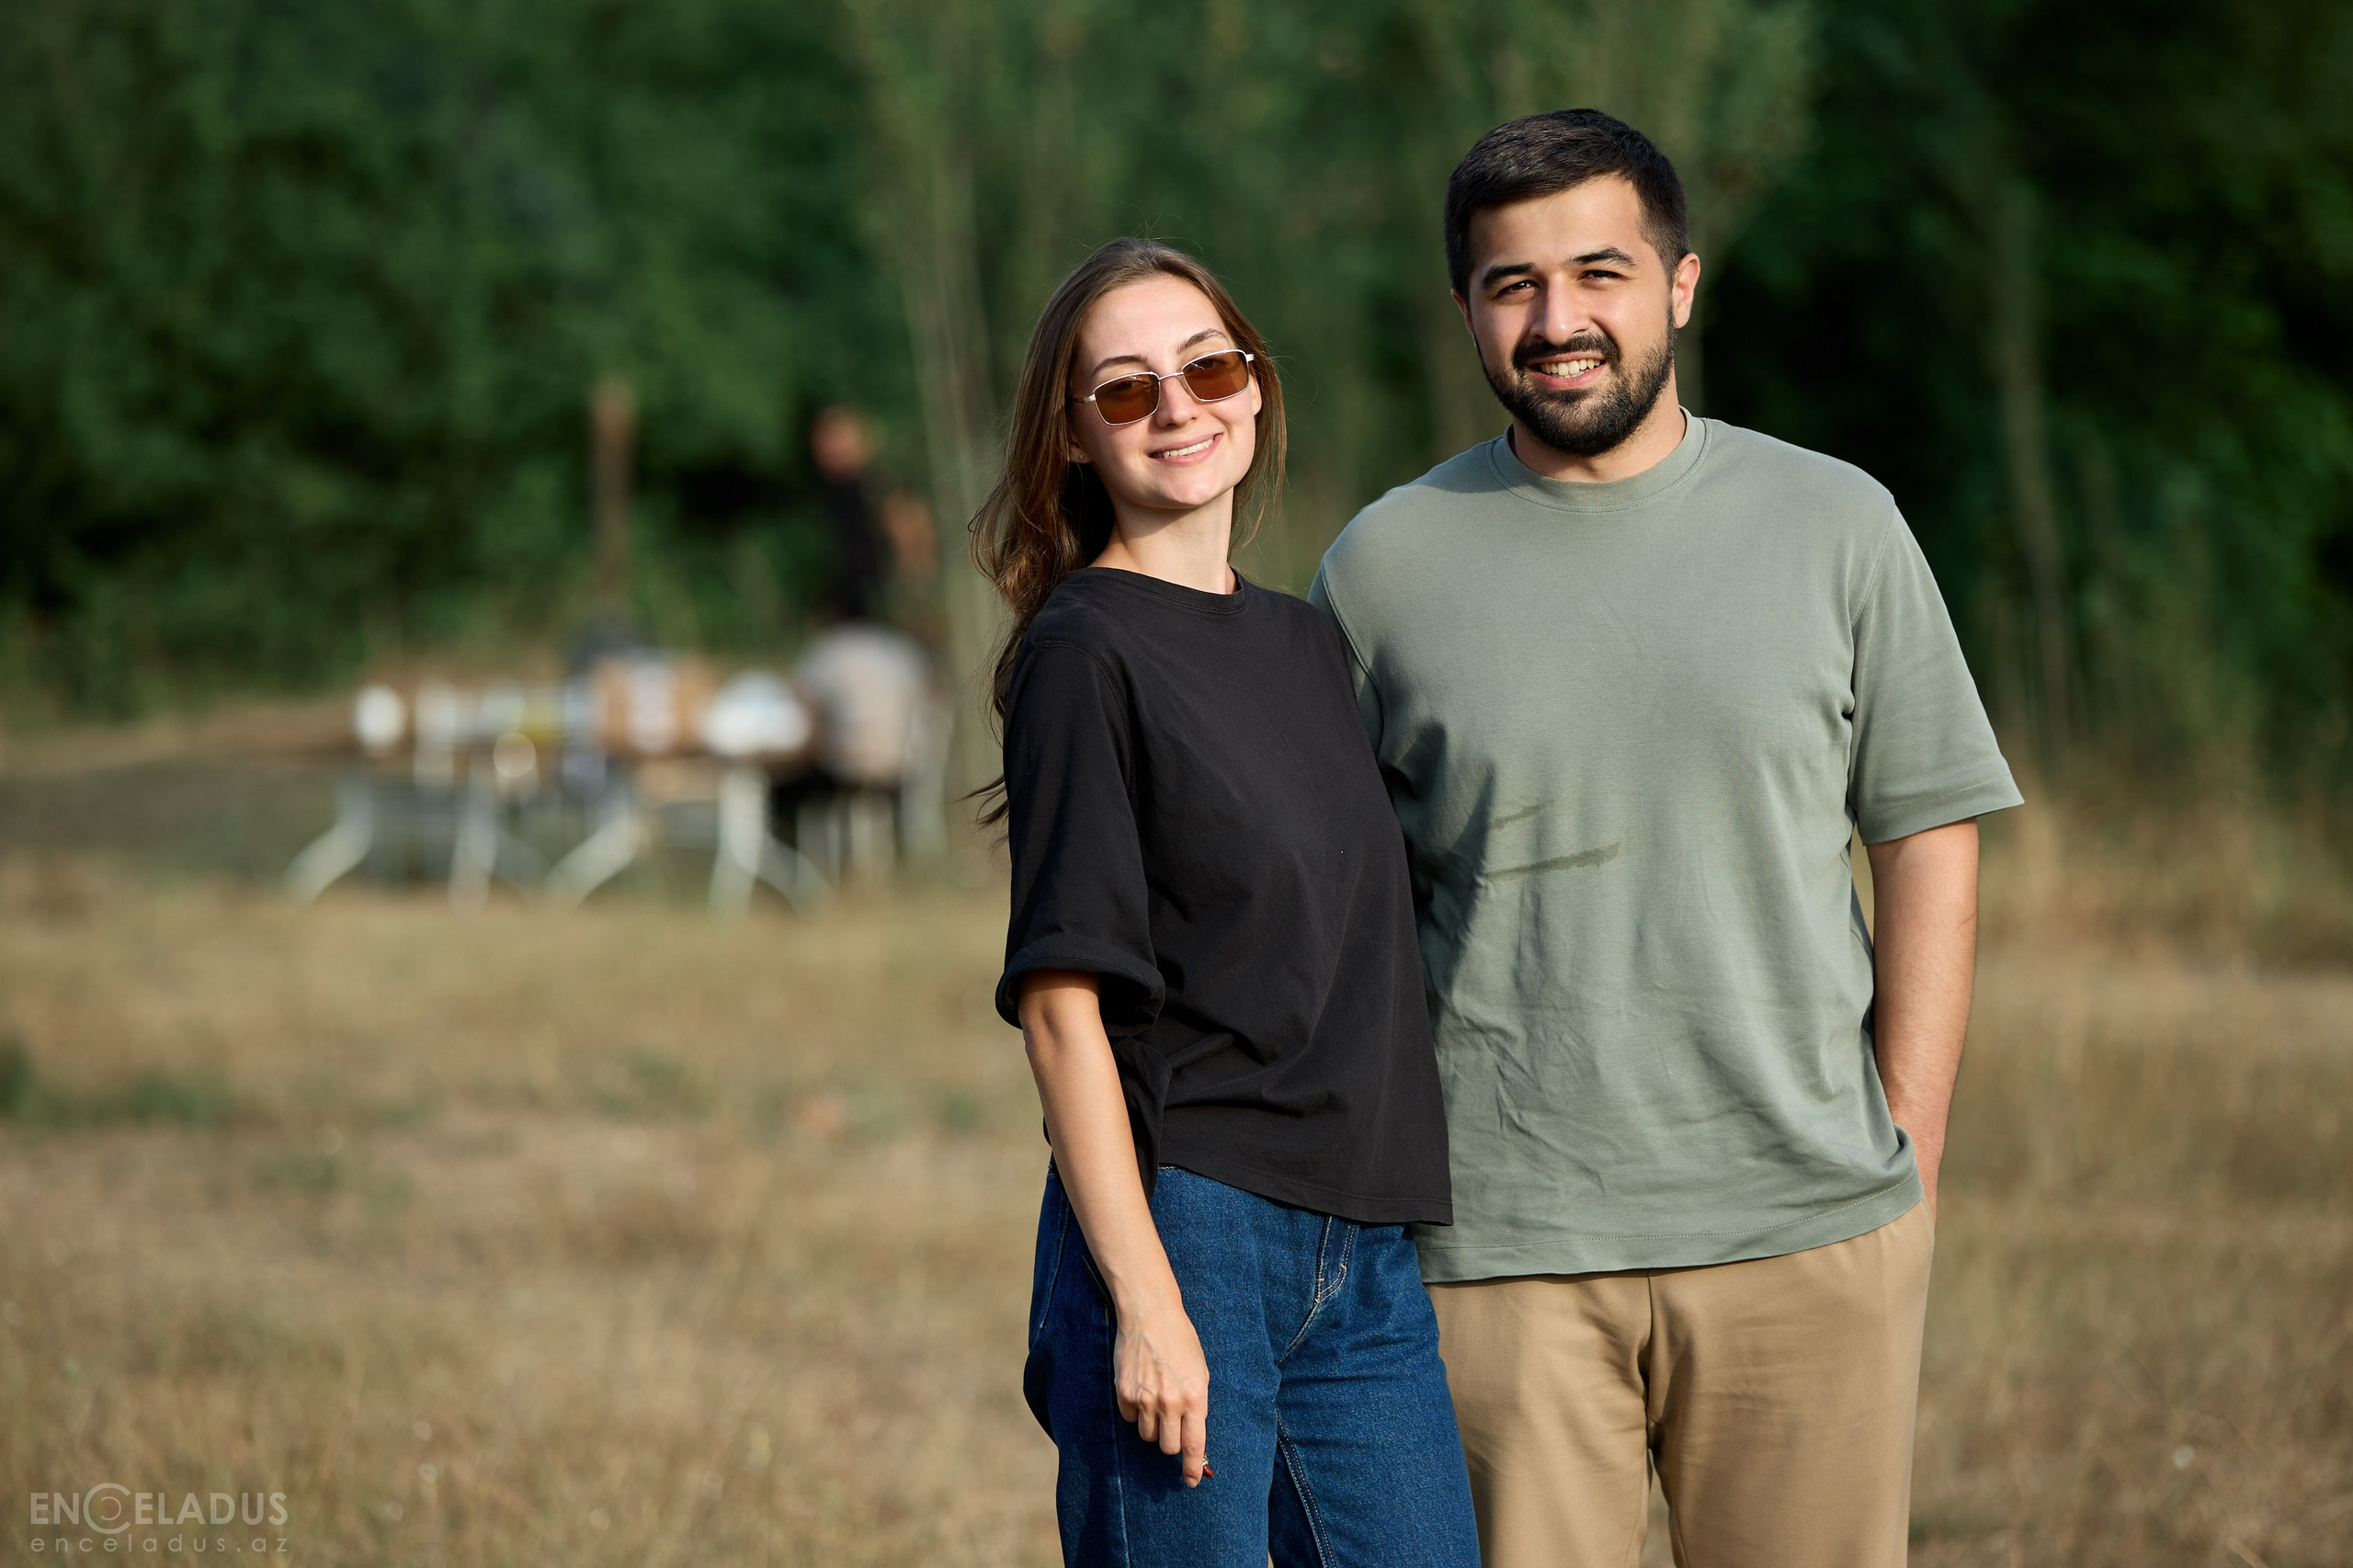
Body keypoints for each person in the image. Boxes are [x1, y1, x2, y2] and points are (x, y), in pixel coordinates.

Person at [1308, 110, 2024, 1568]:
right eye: (1514, 285)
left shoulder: (1839, 524)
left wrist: (1909, 1147)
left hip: (1806, 1227)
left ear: (1681, 285)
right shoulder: (1381, 564)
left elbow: (1929, 832)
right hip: (1496, 1252)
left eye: (1600, 272)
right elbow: (1336, 910)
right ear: (1465, 309)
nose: (1559, 320)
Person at [980, 237, 1482, 1568]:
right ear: (1075, 439)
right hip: (1193, 1224)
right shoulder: (1084, 650)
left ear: (1255, 387)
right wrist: (1147, 1299)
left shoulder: (1307, 639)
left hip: (1362, 1243)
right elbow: (1060, 1011)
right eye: (1129, 389)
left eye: (1206, 366)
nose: (1180, 406)